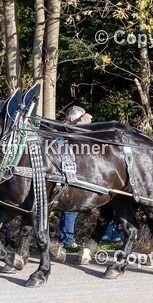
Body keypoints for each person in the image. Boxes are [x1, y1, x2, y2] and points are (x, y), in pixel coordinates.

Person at [56, 105, 92, 249]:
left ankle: (65, 239)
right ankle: (67, 240)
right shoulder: (65, 128)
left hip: (68, 171)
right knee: (71, 209)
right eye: (79, 118)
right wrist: (84, 118)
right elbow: (78, 129)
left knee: (70, 210)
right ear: (72, 118)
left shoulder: (65, 128)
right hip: (64, 173)